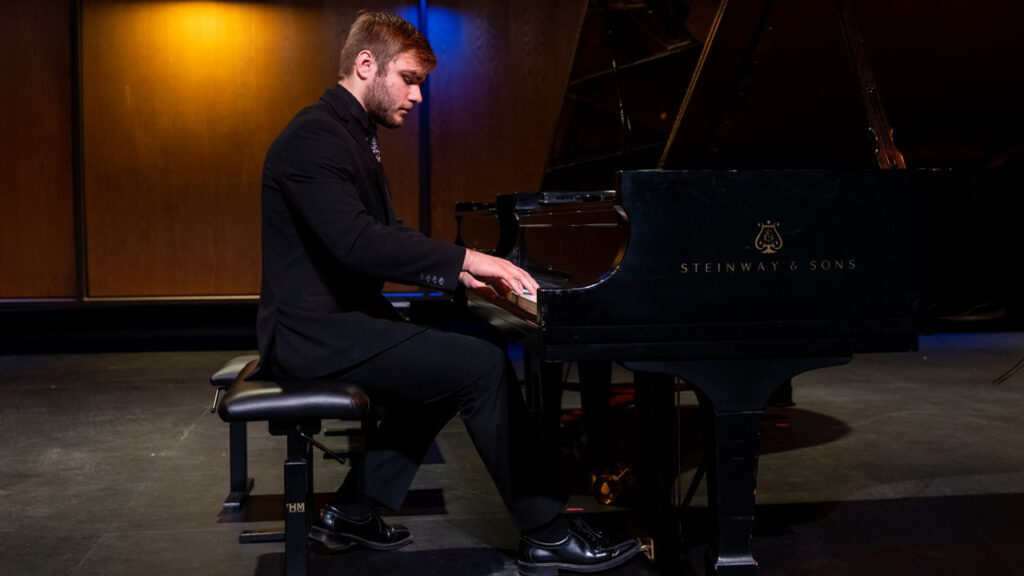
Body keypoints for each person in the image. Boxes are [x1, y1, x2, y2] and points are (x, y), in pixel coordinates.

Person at [252, 10, 642, 575]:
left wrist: (460, 272)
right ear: (366, 64)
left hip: (339, 320)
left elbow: (385, 234)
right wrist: (465, 257)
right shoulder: (313, 138)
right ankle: (547, 533)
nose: (416, 96)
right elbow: (357, 244)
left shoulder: (348, 133)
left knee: (458, 346)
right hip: (310, 332)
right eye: (409, 79)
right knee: (479, 365)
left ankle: (352, 511)